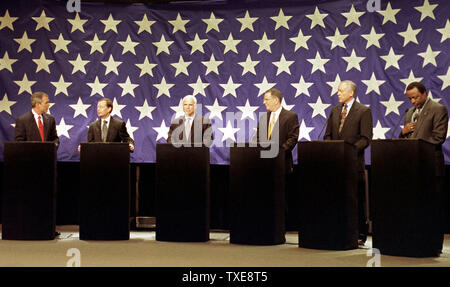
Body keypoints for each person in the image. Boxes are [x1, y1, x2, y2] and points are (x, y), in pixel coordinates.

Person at [400, 81, 448, 253]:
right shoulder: (410, 113)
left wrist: (418, 146)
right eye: (410, 98)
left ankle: (434, 245)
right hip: (412, 168)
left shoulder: (438, 109)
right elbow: (405, 141)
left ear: (424, 93)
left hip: (431, 166)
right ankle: (415, 241)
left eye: (415, 97)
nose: (412, 102)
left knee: (432, 208)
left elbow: (438, 137)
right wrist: (403, 133)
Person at [323, 80, 373, 245]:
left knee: (356, 200)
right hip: (335, 164)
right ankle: (338, 230)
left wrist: (348, 151)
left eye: (341, 91)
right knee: (336, 199)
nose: (338, 93)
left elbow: (365, 138)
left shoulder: (363, 111)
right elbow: (328, 134)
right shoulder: (335, 110)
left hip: (353, 163)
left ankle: (359, 234)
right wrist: (332, 149)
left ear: (351, 93)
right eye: (338, 91)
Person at [253, 88, 300, 174]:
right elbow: (258, 138)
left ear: (276, 100)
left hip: (282, 164)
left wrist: (277, 154)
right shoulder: (263, 118)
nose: (264, 102)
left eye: (266, 99)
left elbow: (292, 139)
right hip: (263, 164)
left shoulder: (291, 116)